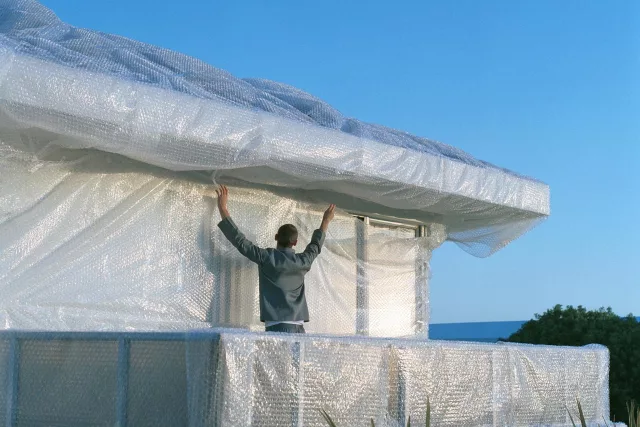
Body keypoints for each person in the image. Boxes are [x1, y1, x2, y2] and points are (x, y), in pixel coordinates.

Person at [215, 185, 335, 333]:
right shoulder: (303, 261)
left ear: (276, 237)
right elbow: (315, 245)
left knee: (276, 357)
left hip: (275, 325)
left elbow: (241, 242)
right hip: (298, 327)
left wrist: (223, 208)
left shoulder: (266, 258)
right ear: (295, 242)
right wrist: (325, 221)